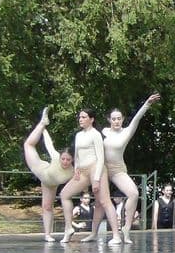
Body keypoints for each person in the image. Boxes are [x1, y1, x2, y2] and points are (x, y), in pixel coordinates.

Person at [91, 93, 160, 244]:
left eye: (119, 118)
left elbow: (137, 118)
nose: (116, 121)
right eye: (113, 119)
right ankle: (93, 233)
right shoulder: (103, 132)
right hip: (101, 169)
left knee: (134, 193)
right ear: (109, 120)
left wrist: (147, 103)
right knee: (100, 202)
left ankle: (126, 228)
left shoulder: (126, 132)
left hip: (117, 170)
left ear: (122, 119)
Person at [58, 109, 120, 245]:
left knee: (103, 201)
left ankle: (116, 235)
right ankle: (69, 228)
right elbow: (77, 154)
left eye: (84, 117)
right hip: (83, 171)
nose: (80, 119)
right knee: (64, 194)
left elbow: (101, 158)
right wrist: (76, 169)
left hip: (96, 168)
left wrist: (96, 179)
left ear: (91, 119)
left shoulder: (95, 134)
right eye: (80, 117)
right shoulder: (79, 135)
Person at [23, 108, 74, 242]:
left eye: (68, 160)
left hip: (49, 184)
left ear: (72, 160)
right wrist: (44, 130)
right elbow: (49, 144)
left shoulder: (73, 171)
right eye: (63, 159)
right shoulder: (56, 157)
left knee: (47, 206)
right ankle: (42, 123)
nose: (65, 161)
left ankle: (48, 234)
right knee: (28, 145)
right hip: (40, 168)